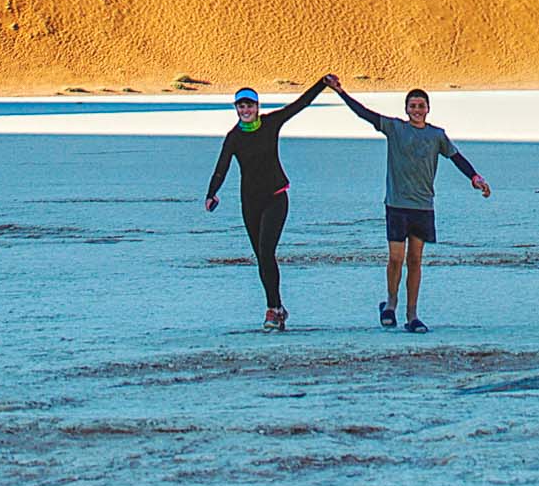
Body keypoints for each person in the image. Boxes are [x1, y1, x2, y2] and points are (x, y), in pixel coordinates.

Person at [331, 82, 490, 332]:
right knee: (396, 259)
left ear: (428, 109)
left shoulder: (437, 135)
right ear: (406, 109)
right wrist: (341, 92)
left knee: (415, 260)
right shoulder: (395, 128)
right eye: (412, 106)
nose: (417, 110)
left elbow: (456, 157)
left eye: (421, 106)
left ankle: (412, 315)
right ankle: (391, 303)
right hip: (397, 205)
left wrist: (475, 177)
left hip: (423, 206)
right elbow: (364, 113)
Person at [203, 76, 331, 329]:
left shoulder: (271, 123)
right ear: (236, 109)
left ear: (257, 107)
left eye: (250, 105)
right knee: (261, 258)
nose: (246, 110)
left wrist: (321, 84)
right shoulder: (234, 137)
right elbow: (222, 166)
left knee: (266, 251)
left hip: (276, 197)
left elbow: (299, 105)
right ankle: (277, 306)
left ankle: (272, 310)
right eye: (241, 106)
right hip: (250, 202)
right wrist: (212, 193)